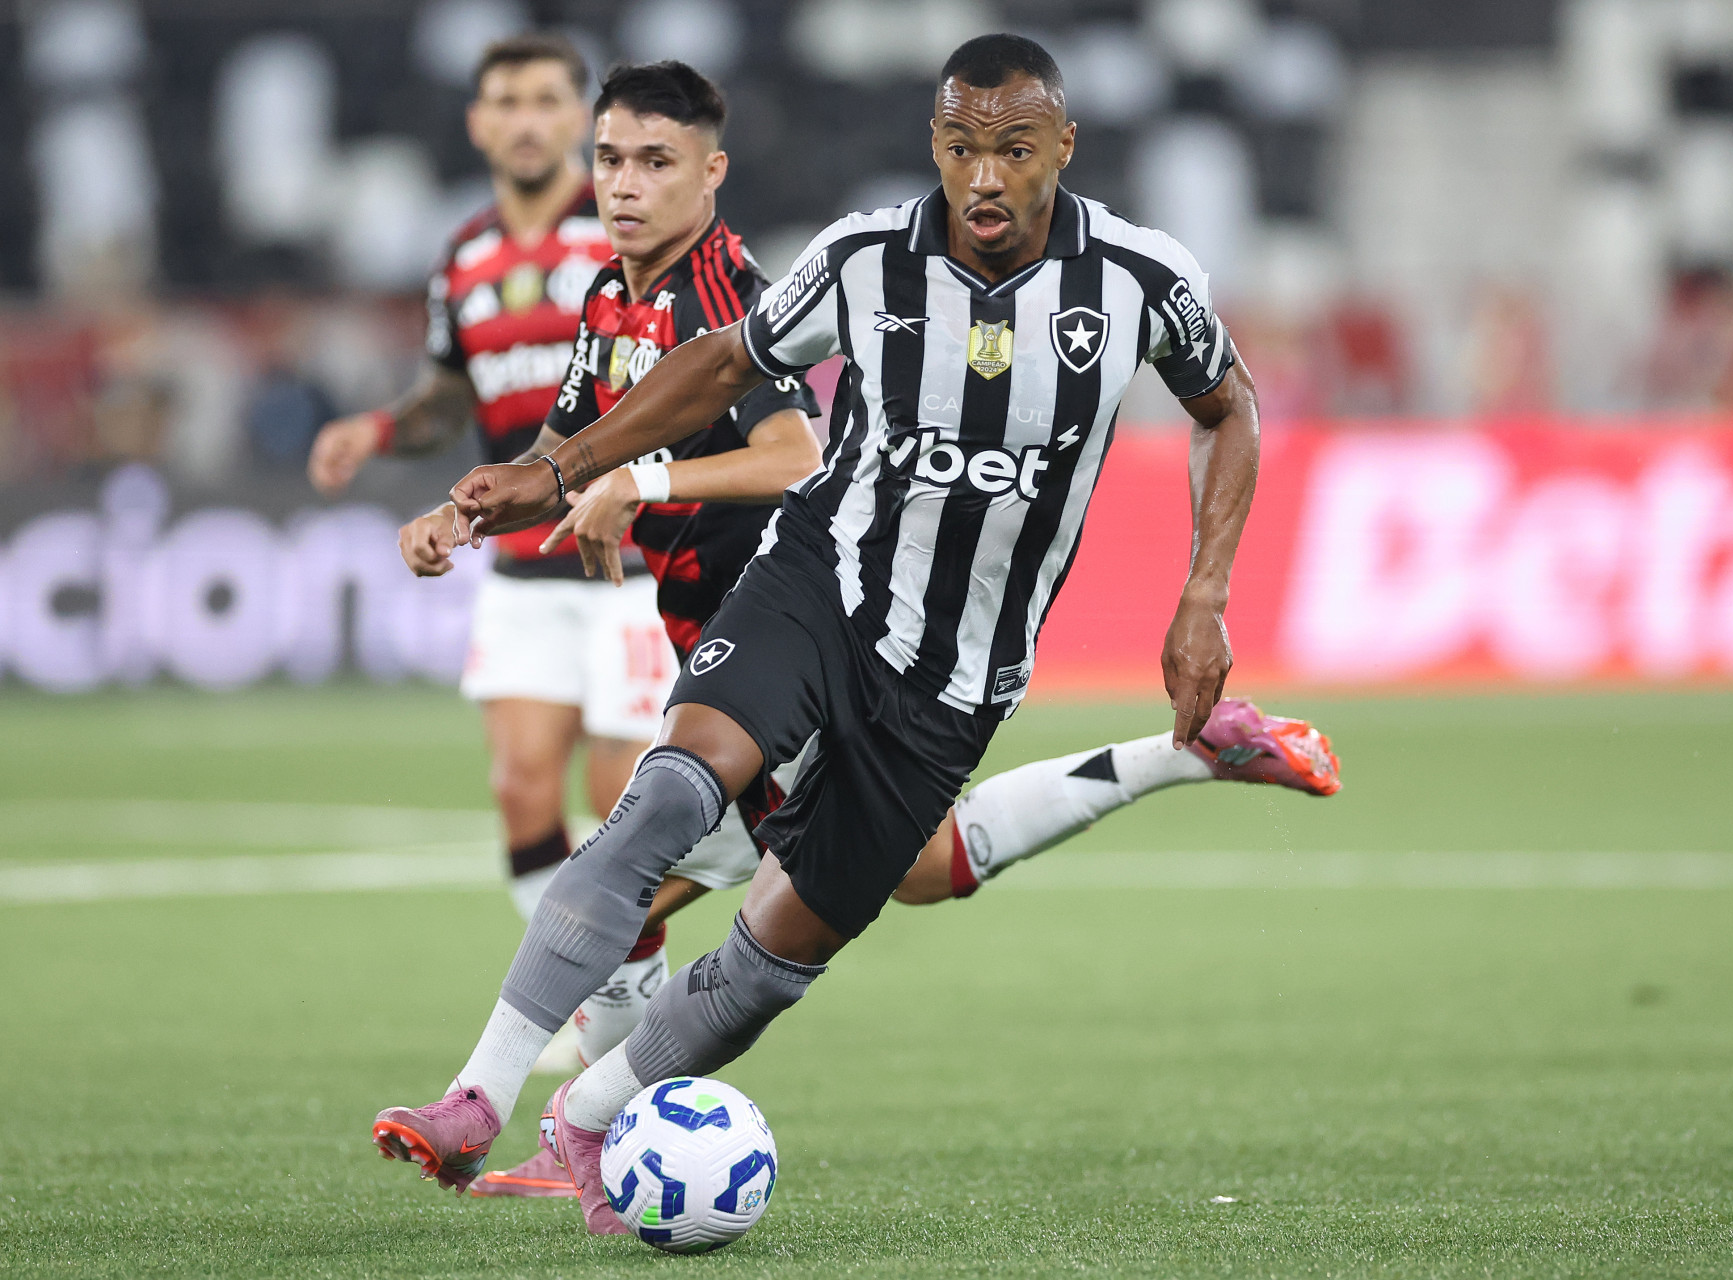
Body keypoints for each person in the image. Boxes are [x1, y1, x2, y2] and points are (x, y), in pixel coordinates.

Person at [372, 35, 1324, 1232]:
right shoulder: (864, 255)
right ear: (933, 142)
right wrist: (556, 467)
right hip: (818, 588)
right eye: (961, 146)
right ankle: (477, 1094)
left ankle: (591, 1117)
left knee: (774, 956)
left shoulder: (1138, 277)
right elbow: (724, 362)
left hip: (957, 677)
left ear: (1063, 150)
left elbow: (1227, 405)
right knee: (666, 802)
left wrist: (1204, 594)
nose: (984, 178)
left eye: (1014, 150)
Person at [304, 35, 683, 1077]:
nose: (524, 120)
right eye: (504, 101)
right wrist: (381, 431)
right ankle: (588, 1008)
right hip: (522, 566)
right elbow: (448, 398)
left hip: (627, 563)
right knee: (522, 788)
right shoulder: (464, 257)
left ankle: (613, 1036)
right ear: (477, 123)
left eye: (545, 101)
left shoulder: (623, 239)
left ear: (580, 122)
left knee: (618, 816)